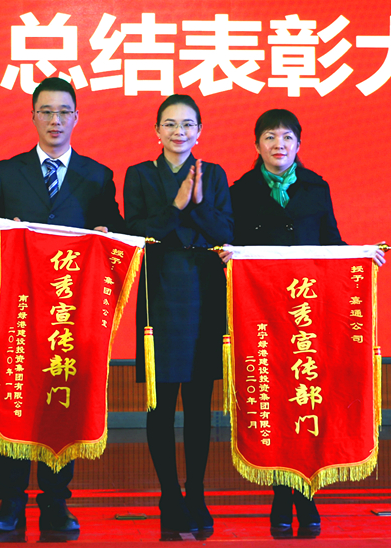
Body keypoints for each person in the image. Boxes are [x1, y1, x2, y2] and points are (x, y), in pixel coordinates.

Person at [0, 77, 125, 533]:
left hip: (67, 312)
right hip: (18, 309)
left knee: (61, 403)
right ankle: (10, 503)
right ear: (33, 116)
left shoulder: (97, 175)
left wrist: (105, 235)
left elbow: (112, 229)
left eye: (63, 112)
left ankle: (56, 501)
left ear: (76, 117)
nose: (55, 120)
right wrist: (4, 230)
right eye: (46, 111)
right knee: (15, 401)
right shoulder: (7, 171)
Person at [223, 108, 386, 532]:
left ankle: (307, 497)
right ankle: (281, 497)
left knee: (308, 399)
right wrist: (228, 255)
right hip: (264, 315)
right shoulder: (240, 191)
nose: (278, 144)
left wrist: (363, 255)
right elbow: (233, 243)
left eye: (286, 137)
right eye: (270, 137)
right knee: (276, 401)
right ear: (256, 144)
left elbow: (331, 242)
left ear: (298, 144)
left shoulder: (316, 187)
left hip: (308, 315)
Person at [123, 95, 233, 532]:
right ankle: (169, 495)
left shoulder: (215, 174)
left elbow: (226, 232)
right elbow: (135, 233)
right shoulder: (139, 174)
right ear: (157, 131)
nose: (178, 132)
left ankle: (197, 494)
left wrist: (198, 202)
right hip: (161, 292)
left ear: (199, 131)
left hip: (204, 293)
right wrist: (176, 207)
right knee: (162, 404)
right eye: (169, 124)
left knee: (200, 405)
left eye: (187, 124)